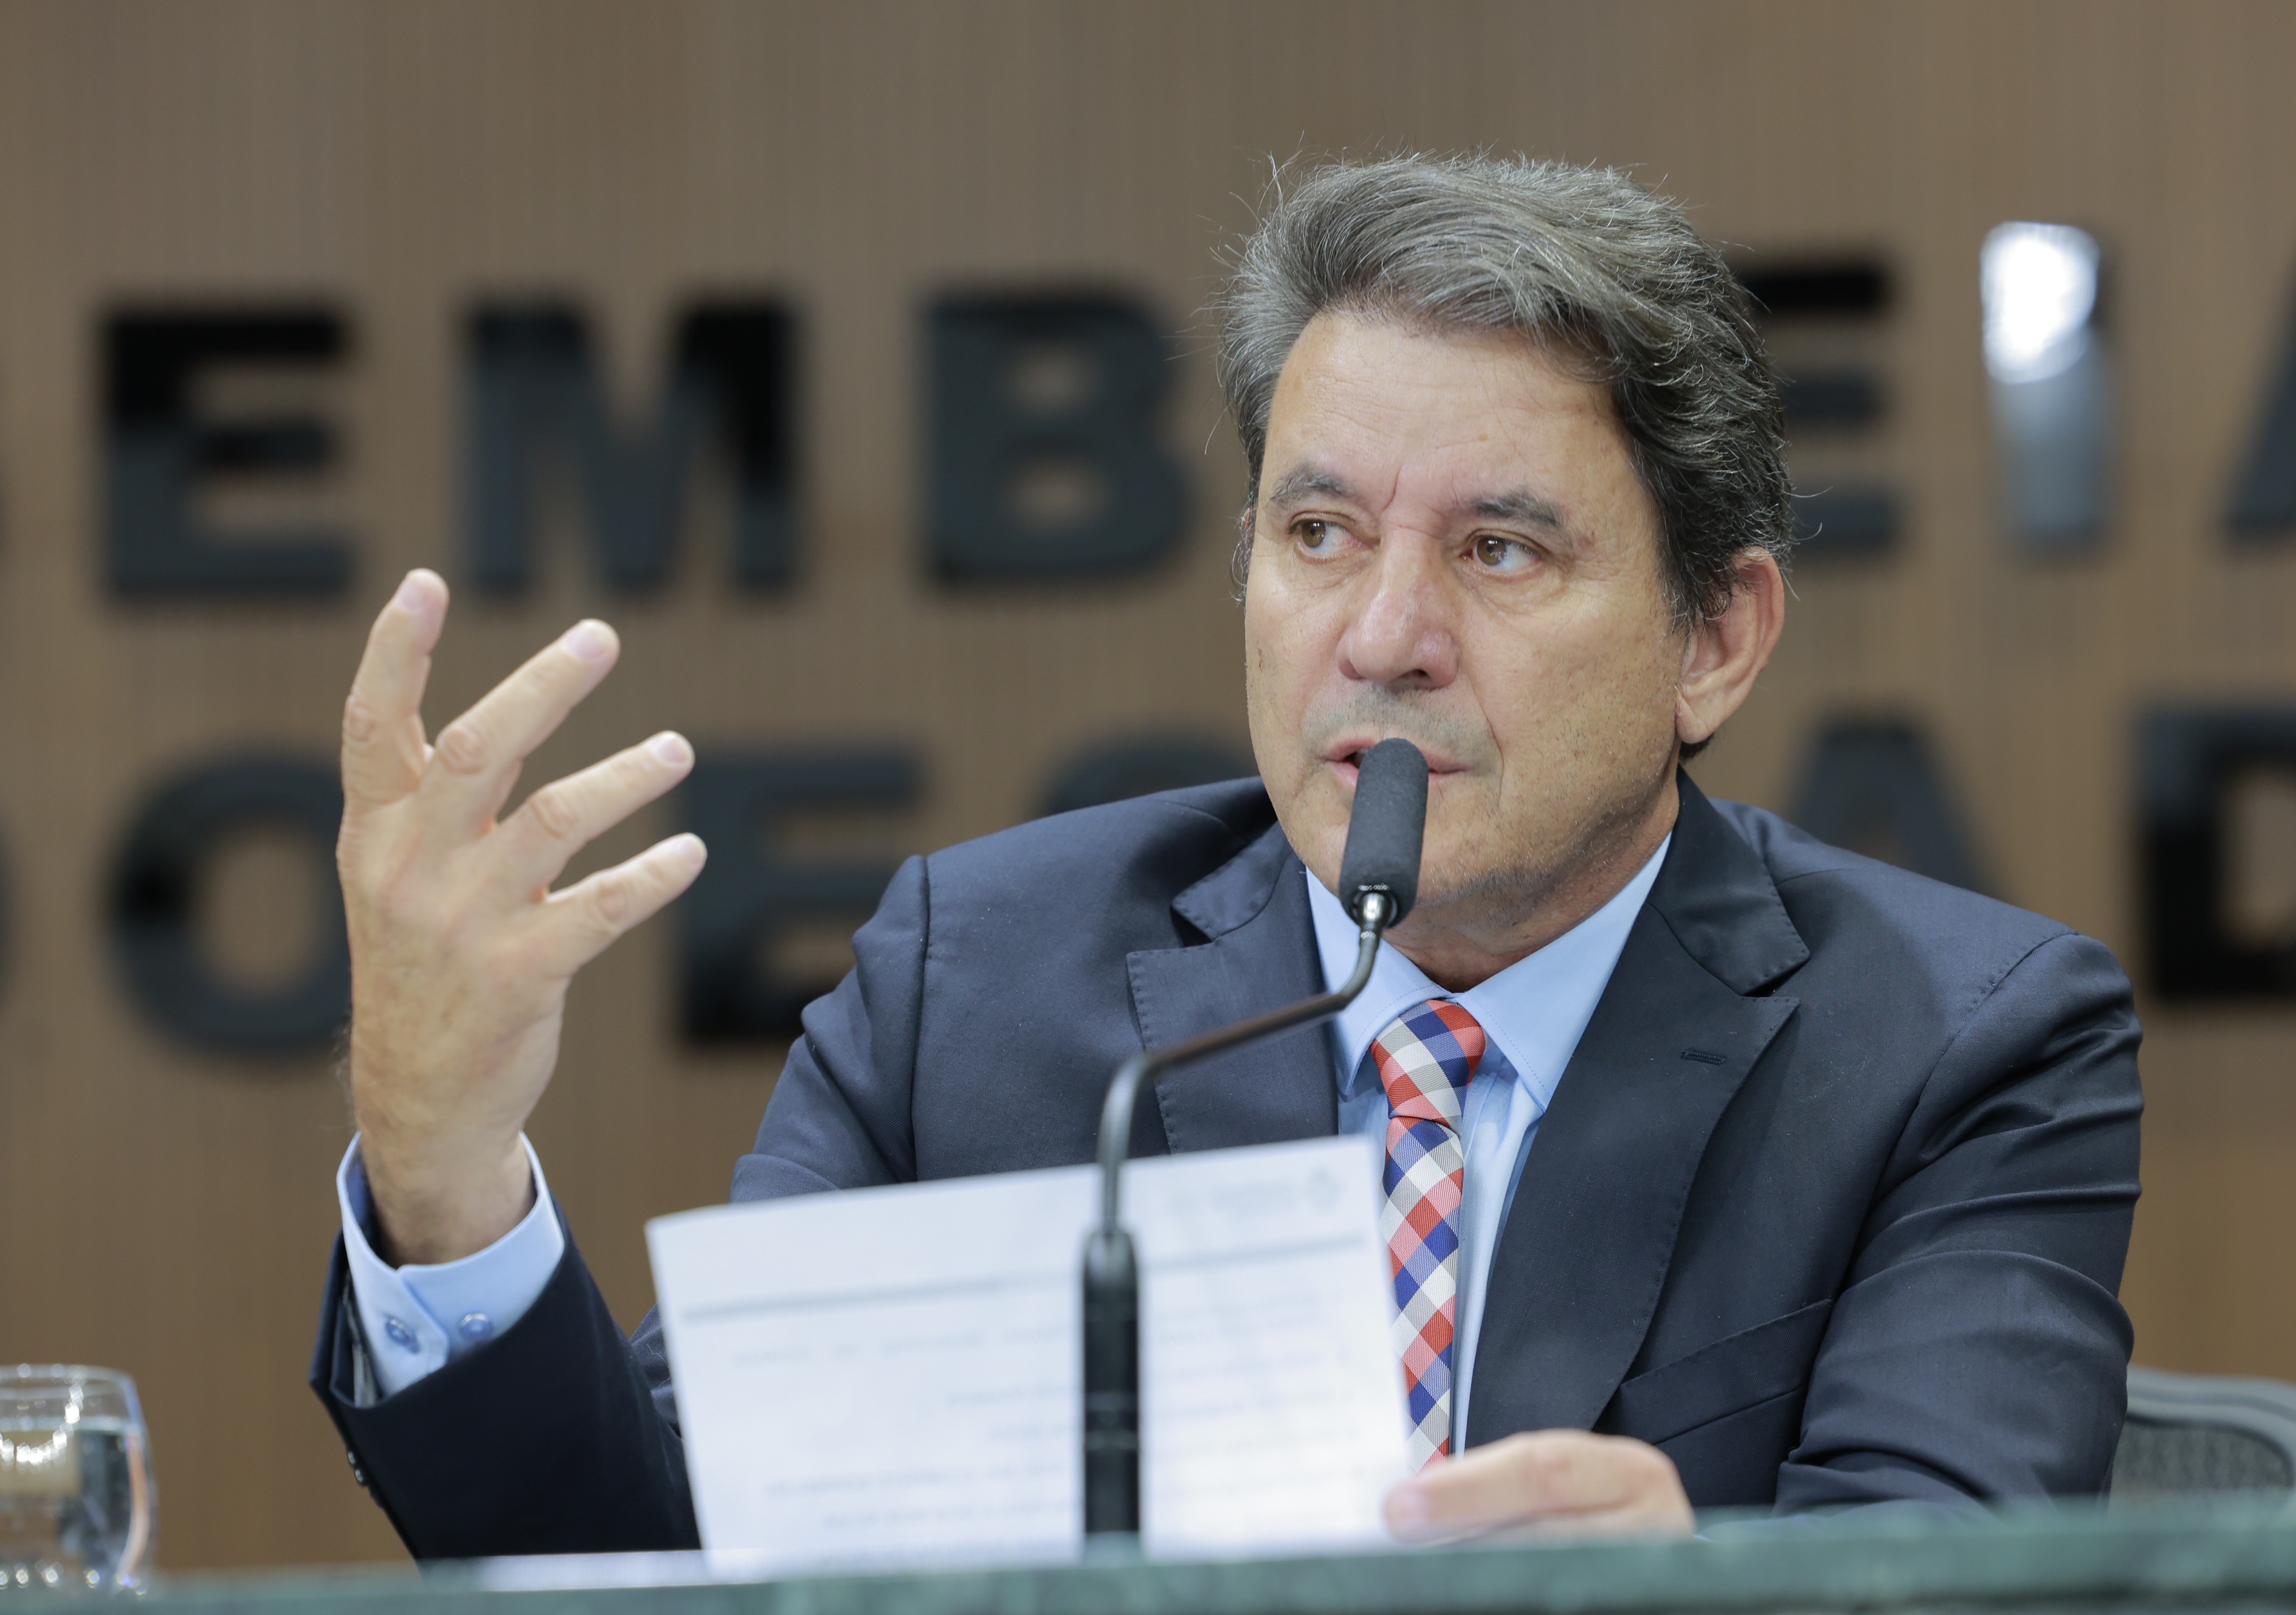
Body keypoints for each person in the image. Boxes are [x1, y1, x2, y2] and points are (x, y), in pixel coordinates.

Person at [311, 155, 2142, 1560]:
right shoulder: (978, 986)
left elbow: (1951, 1571)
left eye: (1500, 552)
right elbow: (653, 1561)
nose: (1385, 638)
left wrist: (1697, 1598)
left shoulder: (1960, 1045)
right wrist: (445, 1175)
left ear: (1714, 640)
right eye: (1319, 533)